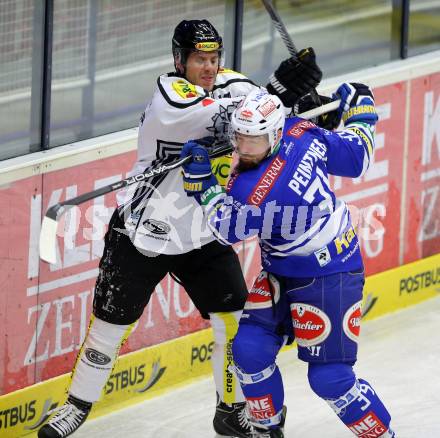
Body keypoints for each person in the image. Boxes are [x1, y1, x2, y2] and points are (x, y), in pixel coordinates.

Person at [38, 19, 322, 438]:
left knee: (234, 322)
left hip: (203, 233)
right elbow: (239, 117)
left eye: (213, 58)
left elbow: (264, 117)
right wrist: (277, 93)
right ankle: (75, 407)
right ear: (179, 60)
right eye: (198, 59)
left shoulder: (233, 85)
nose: (208, 67)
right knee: (109, 328)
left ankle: (231, 409)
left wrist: (305, 96)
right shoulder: (169, 96)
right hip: (143, 233)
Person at [180, 85, 396, 437]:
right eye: (240, 136)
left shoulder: (257, 190)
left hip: (330, 275)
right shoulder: (299, 129)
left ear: (275, 133)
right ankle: (266, 431)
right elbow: (356, 157)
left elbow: (226, 228)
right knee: (248, 351)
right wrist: (361, 105)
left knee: (331, 379)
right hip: (283, 271)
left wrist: (204, 182)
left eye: (256, 139)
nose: (245, 148)